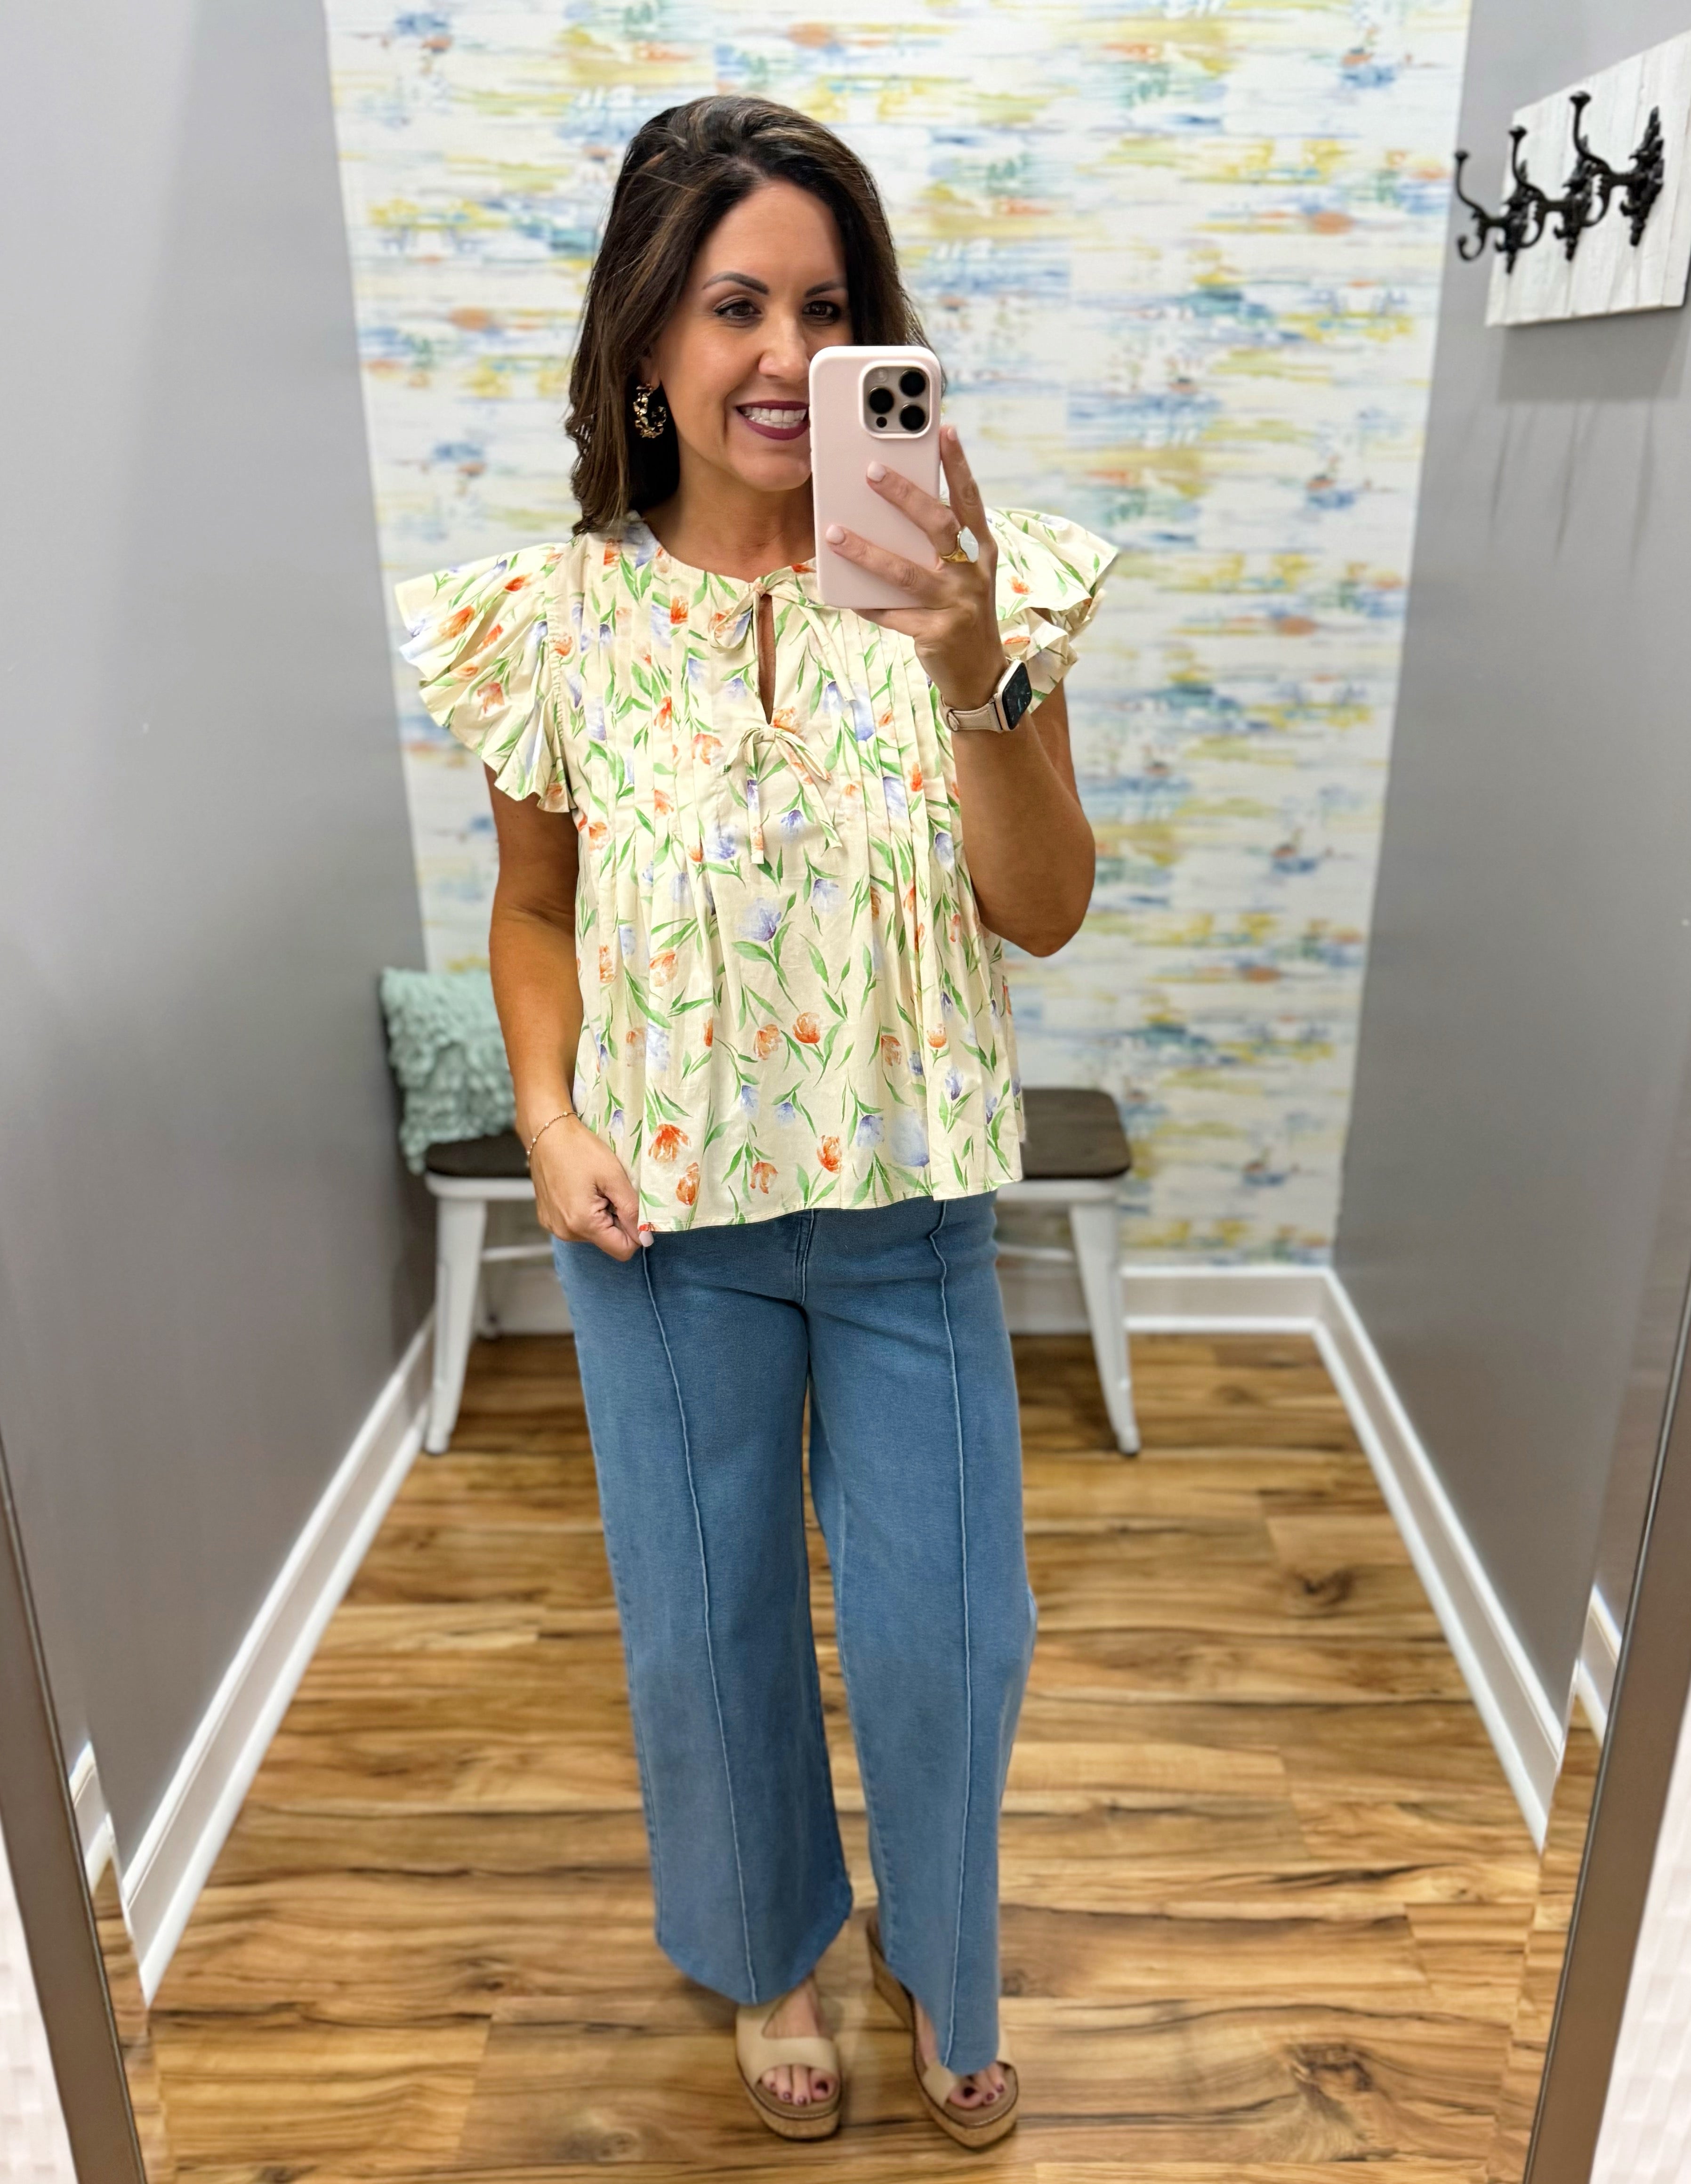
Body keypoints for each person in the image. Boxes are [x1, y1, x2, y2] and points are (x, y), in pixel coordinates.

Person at [397, 93, 1115, 2150]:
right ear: (644, 344)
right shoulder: (553, 619)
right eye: (732, 304)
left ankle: (943, 1954)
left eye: (826, 305)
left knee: (955, 1632)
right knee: (704, 1632)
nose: (786, 353)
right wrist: (544, 1112)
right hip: (662, 1231)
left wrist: (969, 655)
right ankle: (767, 1946)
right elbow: (533, 911)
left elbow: (1042, 909)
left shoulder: (991, 590)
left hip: (906, 1226)